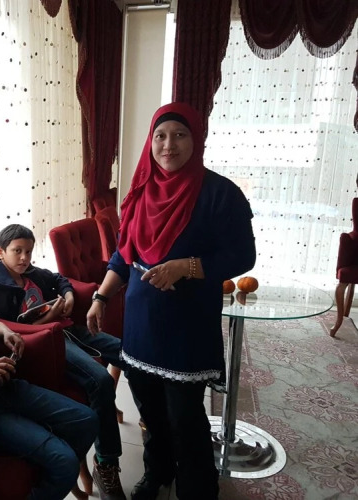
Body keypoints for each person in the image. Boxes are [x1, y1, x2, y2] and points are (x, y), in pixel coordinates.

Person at [87, 102, 256, 500]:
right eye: (160, 136)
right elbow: (123, 255)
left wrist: (187, 266)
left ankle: (198, 489)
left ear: (196, 140)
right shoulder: (141, 191)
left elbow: (242, 255)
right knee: (150, 412)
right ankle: (157, 472)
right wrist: (100, 296)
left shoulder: (220, 194)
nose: (169, 145)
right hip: (141, 326)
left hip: (187, 328)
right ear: (151, 141)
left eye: (180, 135)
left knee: (185, 418)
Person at [0, 224, 130, 500]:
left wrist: (69, 296)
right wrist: (50, 318)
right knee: (100, 380)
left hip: (67, 328)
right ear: (0, 252)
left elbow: (58, 278)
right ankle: (107, 462)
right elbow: (15, 330)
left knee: (131, 355)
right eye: (17, 251)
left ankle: (154, 422)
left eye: (29, 251)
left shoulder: (29, 272)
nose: (24, 258)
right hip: (49, 341)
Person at [0, 250, 99, 499]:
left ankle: (48, 471)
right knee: (64, 462)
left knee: (87, 419)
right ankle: (54, 468)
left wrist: (7, 333)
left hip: (3, 386)